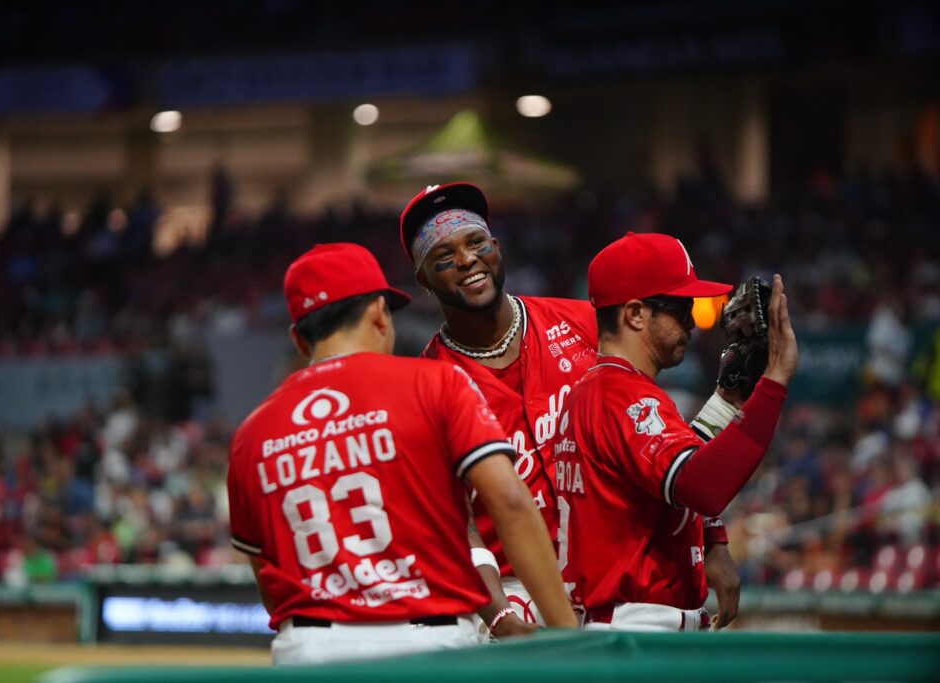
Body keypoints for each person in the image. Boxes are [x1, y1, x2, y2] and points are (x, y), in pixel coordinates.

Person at [399, 183, 741, 633]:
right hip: (512, 589)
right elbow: (455, 524)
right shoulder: (424, 387)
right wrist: (499, 615)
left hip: (608, 587)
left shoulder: (582, 323)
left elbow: (662, 434)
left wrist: (713, 539)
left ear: (496, 248)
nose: (466, 260)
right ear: (424, 280)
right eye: (443, 256)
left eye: (476, 243)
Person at [227, 243, 575, 666]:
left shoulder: (252, 433)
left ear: (299, 339)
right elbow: (511, 502)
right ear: (379, 313)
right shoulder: (436, 383)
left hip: (309, 651)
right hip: (426, 642)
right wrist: (566, 634)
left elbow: (267, 577)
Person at [556, 231, 798, 631]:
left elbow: (676, 472)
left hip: (621, 622)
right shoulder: (622, 396)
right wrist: (774, 380)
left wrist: (728, 399)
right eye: (679, 307)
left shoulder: (598, 390)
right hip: (637, 629)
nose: (691, 322)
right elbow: (701, 486)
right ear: (635, 314)